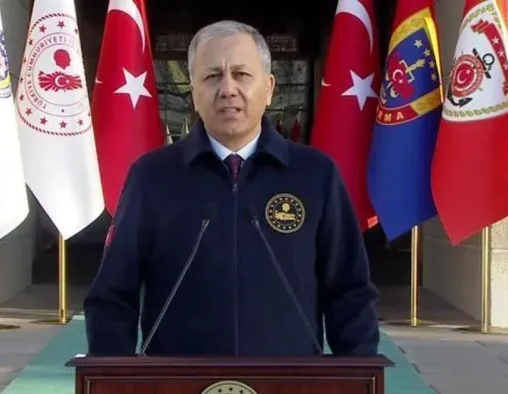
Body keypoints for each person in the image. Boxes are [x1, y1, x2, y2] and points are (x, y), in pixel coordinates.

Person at [83, 20, 380, 357]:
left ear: (269, 88)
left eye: (241, 74)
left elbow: (349, 290)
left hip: (290, 382)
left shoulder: (316, 174)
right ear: (194, 93)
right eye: (212, 76)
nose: (227, 89)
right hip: (177, 383)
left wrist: (358, 374)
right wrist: (114, 375)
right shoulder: (151, 176)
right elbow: (112, 294)